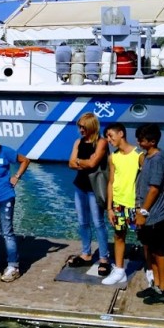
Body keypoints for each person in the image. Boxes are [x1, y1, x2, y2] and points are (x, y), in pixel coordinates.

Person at [0, 125, 30, 282]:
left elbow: (25, 160)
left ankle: (13, 265)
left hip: (5, 197)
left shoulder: (5, 151)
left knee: (7, 231)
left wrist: (16, 176)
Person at [67, 112, 112, 275]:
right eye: (79, 127)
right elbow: (70, 163)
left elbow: (93, 163)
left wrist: (79, 162)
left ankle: (104, 258)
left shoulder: (102, 142)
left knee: (98, 222)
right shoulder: (78, 142)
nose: (80, 130)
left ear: (91, 126)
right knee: (82, 222)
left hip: (95, 188)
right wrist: (82, 163)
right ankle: (86, 254)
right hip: (80, 186)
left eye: (83, 127)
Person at [134, 123, 164, 304]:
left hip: (155, 215)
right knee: (150, 250)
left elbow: (154, 189)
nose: (138, 142)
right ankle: (156, 285)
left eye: (141, 140)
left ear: (152, 141)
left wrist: (143, 211)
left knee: (160, 252)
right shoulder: (148, 157)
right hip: (148, 215)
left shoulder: (157, 160)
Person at [101, 123, 143, 285]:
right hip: (118, 204)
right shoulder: (113, 157)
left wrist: (143, 207)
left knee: (144, 238)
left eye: (111, 136)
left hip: (135, 204)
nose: (109, 140)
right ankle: (119, 271)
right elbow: (111, 182)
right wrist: (109, 207)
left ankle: (151, 270)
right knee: (119, 236)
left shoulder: (139, 155)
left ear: (121, 134)